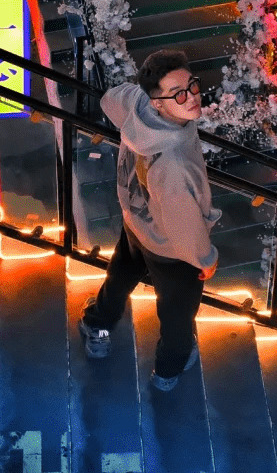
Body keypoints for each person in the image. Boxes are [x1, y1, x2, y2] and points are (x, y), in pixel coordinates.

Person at [79, 48, 219, 391]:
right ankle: (168, 372)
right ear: (158, 102)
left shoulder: (138, 108)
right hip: (171, 249)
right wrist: (205, 259)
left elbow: (111, 99)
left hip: (136, 220)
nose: (192, 99)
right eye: (179, 94)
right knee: (177, 315)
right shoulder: (173, 161)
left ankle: (98, 324)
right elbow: (183, 221)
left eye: (193, 86)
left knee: (123, 272)